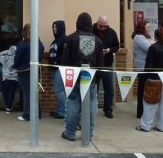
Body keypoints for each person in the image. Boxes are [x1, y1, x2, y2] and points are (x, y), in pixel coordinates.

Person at [60, 12, 104, 141]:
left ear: (77, 23)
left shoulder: (71, 38)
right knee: (91, 104)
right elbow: (101, 64)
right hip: (91, 78)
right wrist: (97, 79)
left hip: (74, 78)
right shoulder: (98, 41)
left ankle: (70, 132)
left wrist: (67, 78)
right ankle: (88, 133)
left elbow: (64, 61)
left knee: (73, 104)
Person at [136, 27, 163, 132]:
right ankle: (161, 126)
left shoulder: (153, 48)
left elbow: (148, 66)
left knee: (150, 103)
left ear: (155, 36)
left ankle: (146, 126)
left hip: (154, 78)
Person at [14, 23, 44, 122]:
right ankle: (38, 113)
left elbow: (17, 59)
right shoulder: (39, 43)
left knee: (28, 93)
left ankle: (28, 114)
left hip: (24, 71)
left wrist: (15, 66)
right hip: (36, 70)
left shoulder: (23, 44)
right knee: (34, 92)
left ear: (24, 32)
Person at [93, 15, 120, 118]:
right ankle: (93, 108)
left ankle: (108, 109)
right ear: (97, 23)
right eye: (101, 26)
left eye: (105, 26)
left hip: (107, 63)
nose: (103, 28)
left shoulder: (112, 32)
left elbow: (117, 46)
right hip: (95, 64)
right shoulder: (91, 31)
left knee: (109, 88)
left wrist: (109, 50)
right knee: (93, 88)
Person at [48, 20, 68, 119]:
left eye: (56, 27)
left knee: (58, 90)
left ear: (61, 27)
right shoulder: (55, 41)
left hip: (61, 69)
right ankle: (59, 110)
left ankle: (63, 111)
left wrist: (57, 62)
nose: (54, 29)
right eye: (53, 27)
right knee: (60, 90)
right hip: (55, 68)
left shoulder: (65, 40)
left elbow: (65, 55)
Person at [132, 19, 152, 118]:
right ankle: (140, 112)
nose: (149, 29)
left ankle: (143, 111)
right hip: (142, 68)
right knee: (142, 91)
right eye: (147, 27)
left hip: (146, 67)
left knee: (145, 90)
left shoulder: (146, 37)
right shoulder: (139, 37)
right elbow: (150, 49)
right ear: (142, 28)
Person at [0, 45, 19, 114]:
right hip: (13, 78)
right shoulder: (17, 58)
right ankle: (8, 107)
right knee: (10, 93)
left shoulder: (5, 58)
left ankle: (8, 106)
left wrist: (5, 52)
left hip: (6, 78)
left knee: (6, 93)